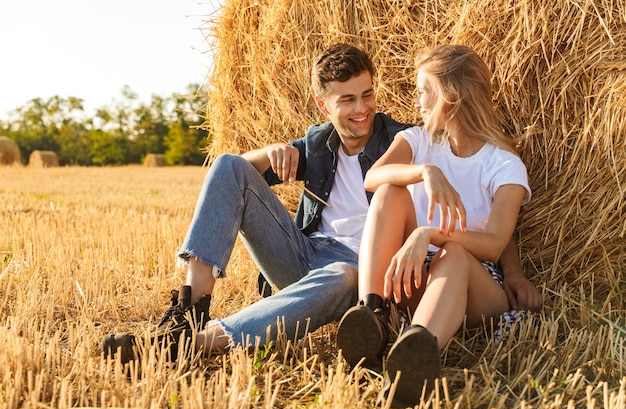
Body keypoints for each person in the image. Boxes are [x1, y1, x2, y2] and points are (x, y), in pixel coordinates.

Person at [103, 43, 539, 365]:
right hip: (303, 255)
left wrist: (514, 273)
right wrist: (270, 152)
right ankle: (187, 311)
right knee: (228, 165)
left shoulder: (408, 137)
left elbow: (485, 216)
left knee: (345, 275)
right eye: (347, 100)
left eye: (367, 95)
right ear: (323, 104)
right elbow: (235, 176)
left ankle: (198, 344)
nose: (361, 109)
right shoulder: (317, 144)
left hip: (360, 269)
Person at [336, 44, 540, 408]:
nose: (417, 102)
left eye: (422, 91)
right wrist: (425, 171)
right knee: (389, 193)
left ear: (449, 96)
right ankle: (375, 314)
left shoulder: (504, 165)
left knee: (456, 253)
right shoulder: (418, 141)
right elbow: (373, 177)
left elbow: (494, 244)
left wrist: (428, 234)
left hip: (475, 290)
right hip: (413, 279)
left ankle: (413, 359)